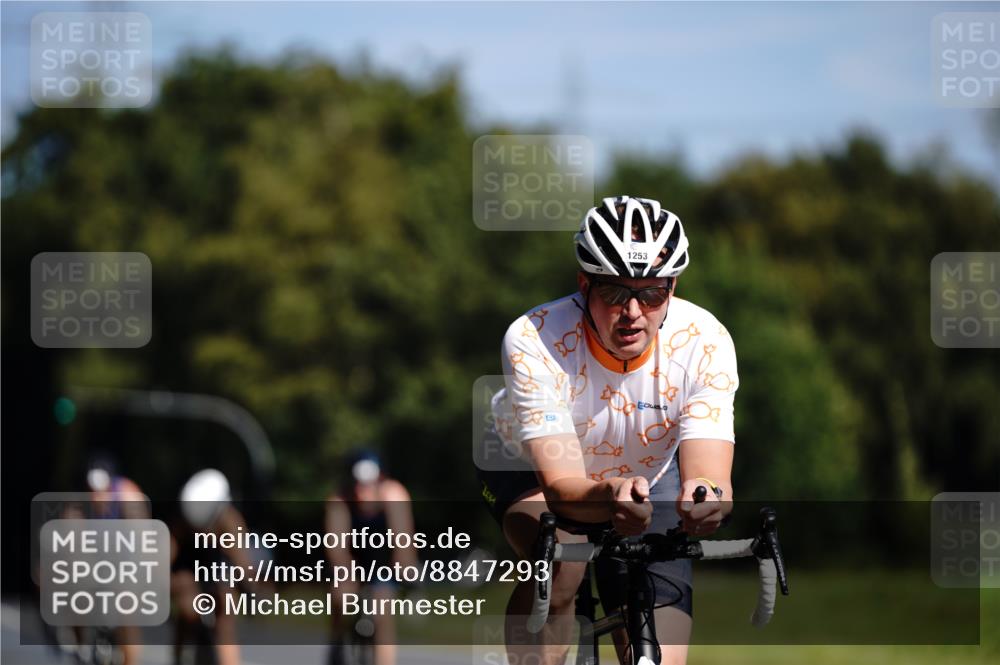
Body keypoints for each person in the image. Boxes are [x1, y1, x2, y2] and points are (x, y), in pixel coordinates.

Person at [478, 196, 739, 665]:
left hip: (647, 476)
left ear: (673, 288)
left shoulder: (706, 342)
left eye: (652, 293)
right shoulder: (535, 337)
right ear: (585, 284)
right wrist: (610, 493)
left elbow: (710, 474)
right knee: (562, 563)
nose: (633, 311)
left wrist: (705, 496)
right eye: (616, 293)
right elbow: (562, 489)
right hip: (526, 462)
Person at [325, 450, 418, 665]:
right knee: (340, 597)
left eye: (367, 484)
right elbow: (337, 548)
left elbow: (403, 541)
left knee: (382, 608)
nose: (362, 491)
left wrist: (408, 575)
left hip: (383, 561)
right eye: (357, 484)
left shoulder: (394, 494)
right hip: (353, 561)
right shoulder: (339, 500)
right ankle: (336, 642)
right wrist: (346, 574)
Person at [171, 468, 255, 665]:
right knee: (186, 609)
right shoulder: (181, 523)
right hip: (188, 566)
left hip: (219, 567)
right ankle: (179, 654)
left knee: (225, 610)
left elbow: (242, 563)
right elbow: (166, 556)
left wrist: (250, 591)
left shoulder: (230, 522)